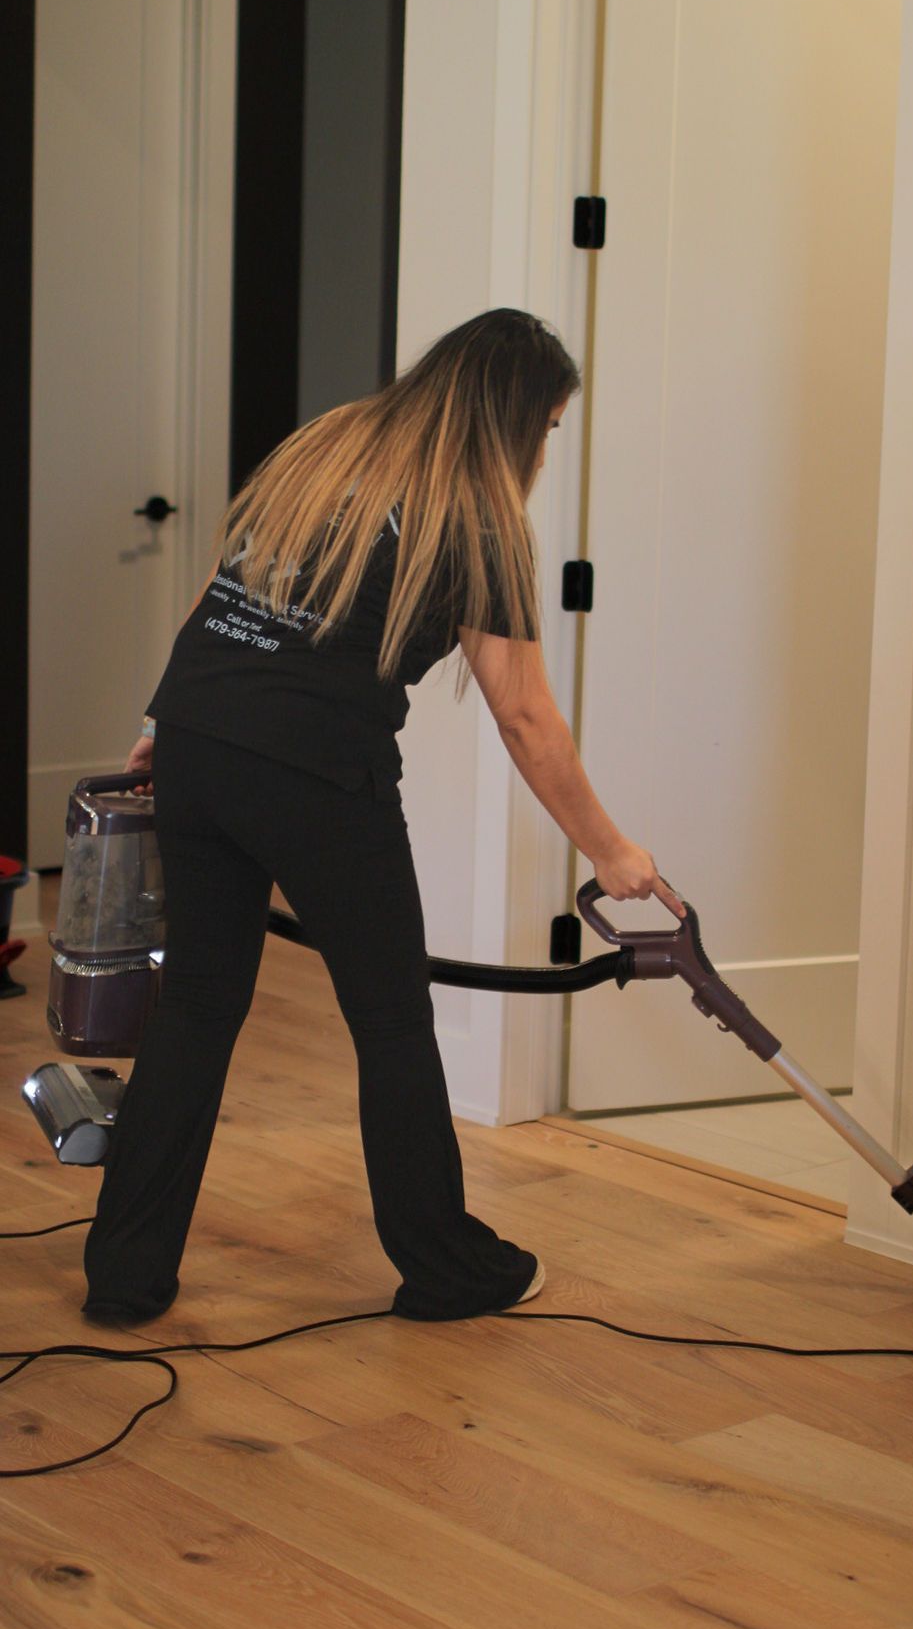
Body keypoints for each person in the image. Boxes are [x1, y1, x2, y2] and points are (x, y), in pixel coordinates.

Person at [83, 308, 683, 1328]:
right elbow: (526, 713)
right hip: (314, 770)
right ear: (515, 417)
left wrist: (160, 720)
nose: (543, 448)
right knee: (393, 1019)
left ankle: (124, 1274)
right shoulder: (477, 515)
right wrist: (610, 849)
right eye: (545, 427)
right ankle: (445, 1267)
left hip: (197, 736)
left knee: (195, 1007)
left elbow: (217, 593)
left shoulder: (325, 448)